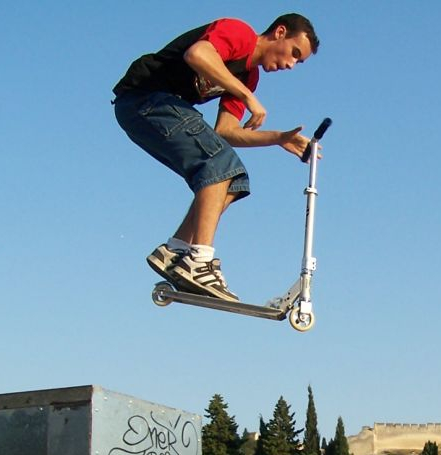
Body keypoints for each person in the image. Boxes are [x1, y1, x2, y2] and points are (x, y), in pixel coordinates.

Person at [113, 14, 320, 302]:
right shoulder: (240, 34)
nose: (290, 65)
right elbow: (197, 54)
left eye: (298, 63)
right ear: (279, 33)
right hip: (145, 98)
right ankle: (200, 259)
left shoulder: (250, 76)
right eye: (294, 53)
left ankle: (176, 250)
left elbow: (225, 132)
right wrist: (246, 96)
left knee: (233, 178)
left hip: (156, 111)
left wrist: (277, 138)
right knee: (219, 163)